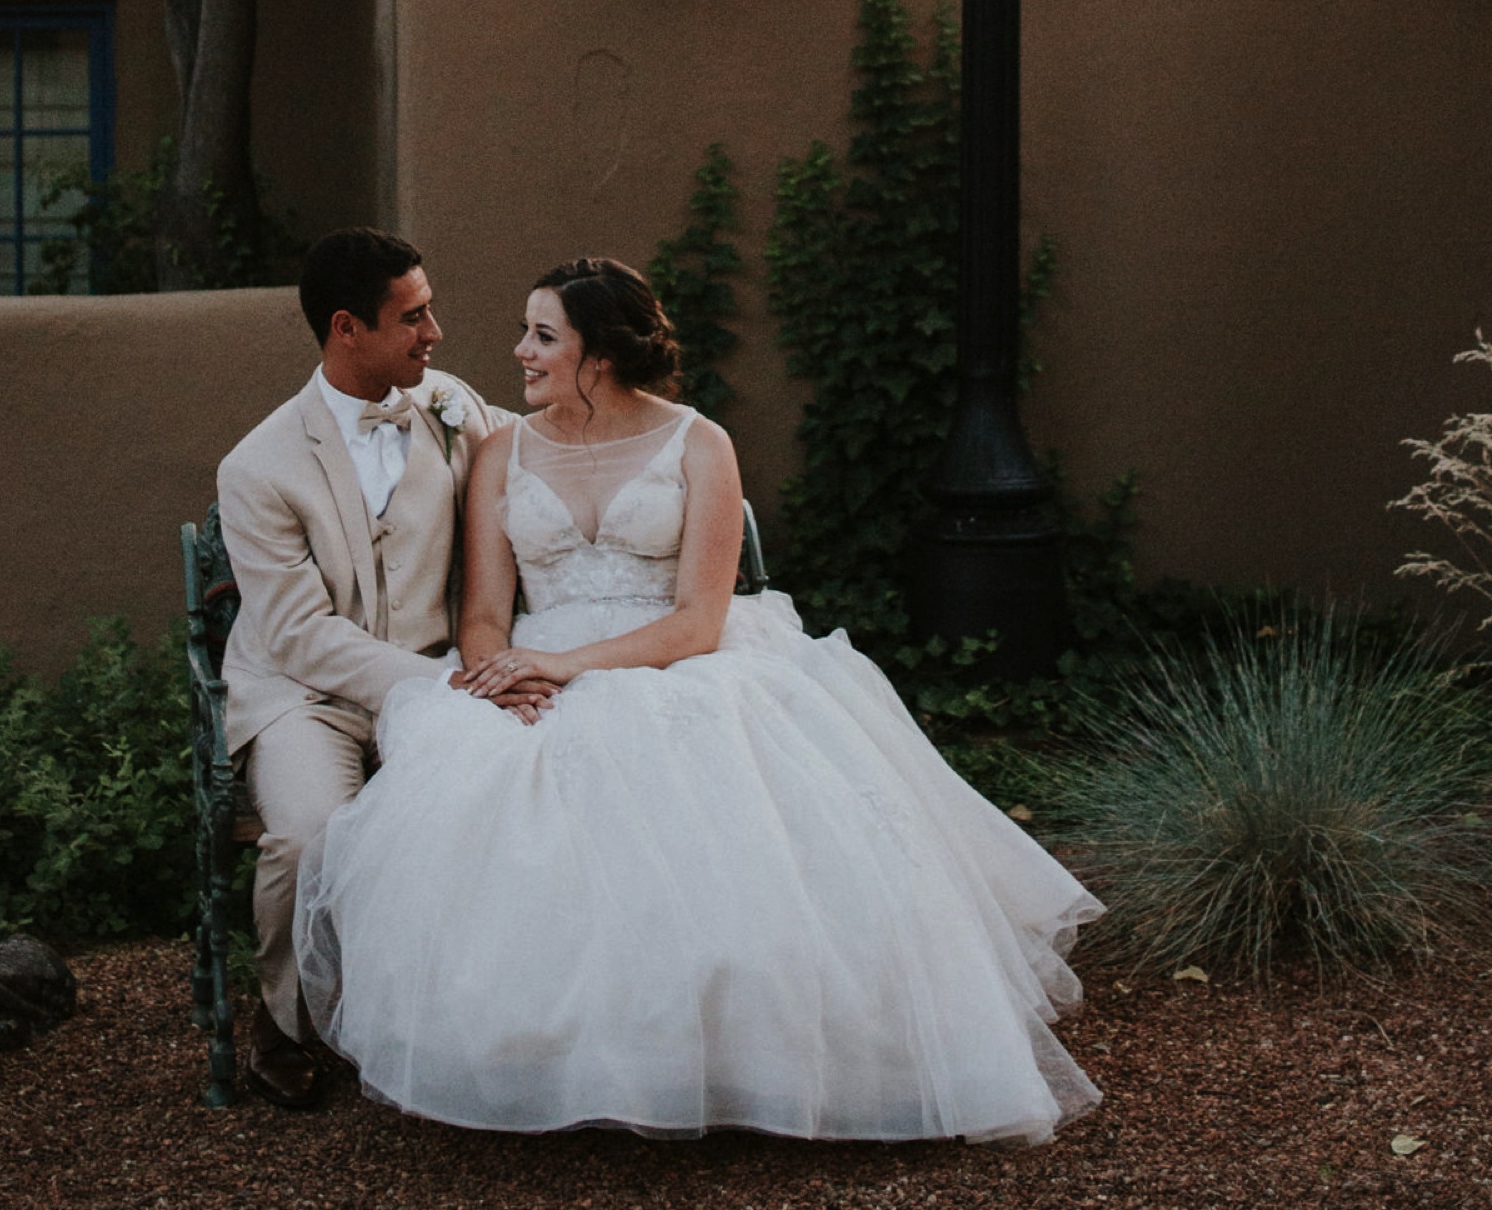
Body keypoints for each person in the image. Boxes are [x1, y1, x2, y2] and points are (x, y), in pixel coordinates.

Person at [295, 256, 1103, 1143]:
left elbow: (698, 621)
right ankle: (550, 1062)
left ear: (598, 354)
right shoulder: (501, 452)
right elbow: (482, 614)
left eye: (542, 335)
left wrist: (572, 670)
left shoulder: (699, 443)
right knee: (501, 803)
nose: (518, 350)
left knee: (727, 831)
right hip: (533, 672)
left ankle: (741, 1064)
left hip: (678, 665)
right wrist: (500, 678)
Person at [215, 227, 534, 1108]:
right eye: (414, 317)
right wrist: (445, 686)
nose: (434, 333)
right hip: (305, 697)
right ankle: (283, 1023)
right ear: (347, 328)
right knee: (313, 832)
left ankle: (472, 1013)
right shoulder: (258, 468)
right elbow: (296, 634)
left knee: (518, 795)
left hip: (443, 669)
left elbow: (542, 465)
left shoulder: (449, 405)